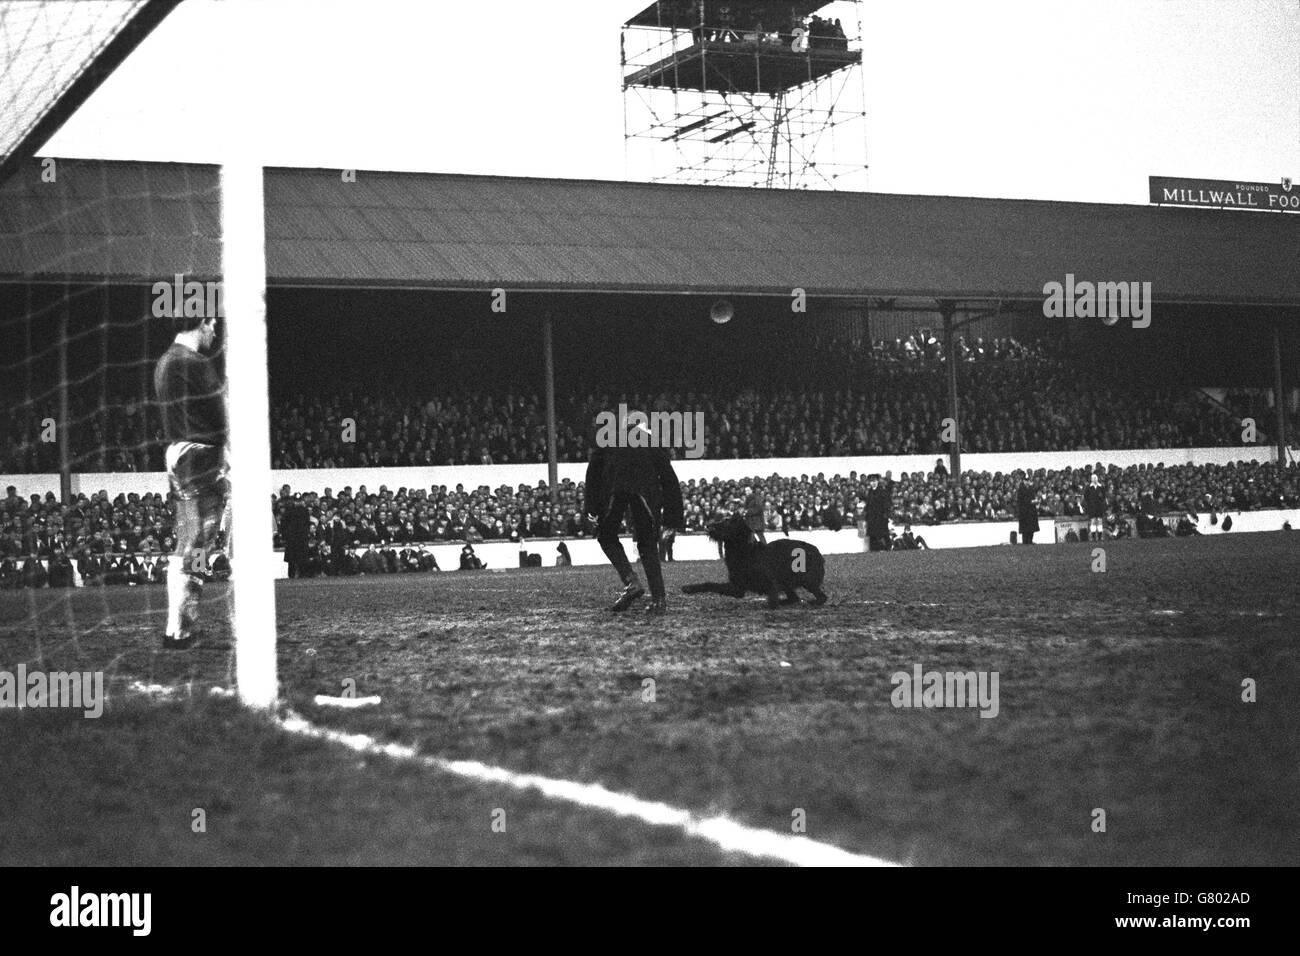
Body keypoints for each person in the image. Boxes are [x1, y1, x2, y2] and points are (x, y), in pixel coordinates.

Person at [154, 310, 225, 649]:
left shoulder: (165, 361)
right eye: (212, 325)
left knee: (191, 541)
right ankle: (180, 627)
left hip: (179, 455)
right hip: (200, 460)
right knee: (197, 543)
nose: (214, 332)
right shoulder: (195, 362)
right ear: (202, 323)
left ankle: (179, 624)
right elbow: (221, 418)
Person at [584, 411, 684, 615]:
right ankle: (659, 599)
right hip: (645, 493)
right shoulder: (652, 442)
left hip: (615, 489)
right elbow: (669, 479)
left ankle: (631, 581)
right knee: (648, 545)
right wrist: (673, 517)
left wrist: (592, 507)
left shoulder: (610, 440)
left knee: (606, 536)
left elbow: (593, 473)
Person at [864, 474, 891, 551]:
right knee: (872, 534)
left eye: (875, 481)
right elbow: (868, 504)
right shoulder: (869, 492)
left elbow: (886, 504)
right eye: (871, 481)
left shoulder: (882, 491)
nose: (873, 483)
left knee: (884, 533)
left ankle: (889, 548)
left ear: (878, 481)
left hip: (881, 516)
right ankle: (874, 550)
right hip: (872, 517)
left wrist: (885, 514)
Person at [1083, 473, 1107, 542]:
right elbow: (1086, 497)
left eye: (1096, 478)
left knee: (1099, 521)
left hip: (1099, 507)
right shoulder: (1088, 488)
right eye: (1093, 478)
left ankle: (1099, 537)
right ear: (1091, 479)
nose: (1095, 479)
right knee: (1093, 522)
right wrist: (1090, 504)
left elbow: (1104, 497)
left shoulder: (1101, 487)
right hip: (1092, 507)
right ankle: (1093, 537)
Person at [1017, 475, 1039, 544]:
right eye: (1026, 481)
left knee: (1032, 528)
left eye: (1028, 480)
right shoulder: (1021, 489)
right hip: (1024, 512)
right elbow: (1021, 500)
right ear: (1023, 481)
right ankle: (1025, 541)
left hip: (1031, 511)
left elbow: (1033, 496)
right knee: (1025, 529)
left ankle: (1030, 540)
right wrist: (1030, 501)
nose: (1028, 482)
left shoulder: (1031, 489)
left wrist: (1035, 501)